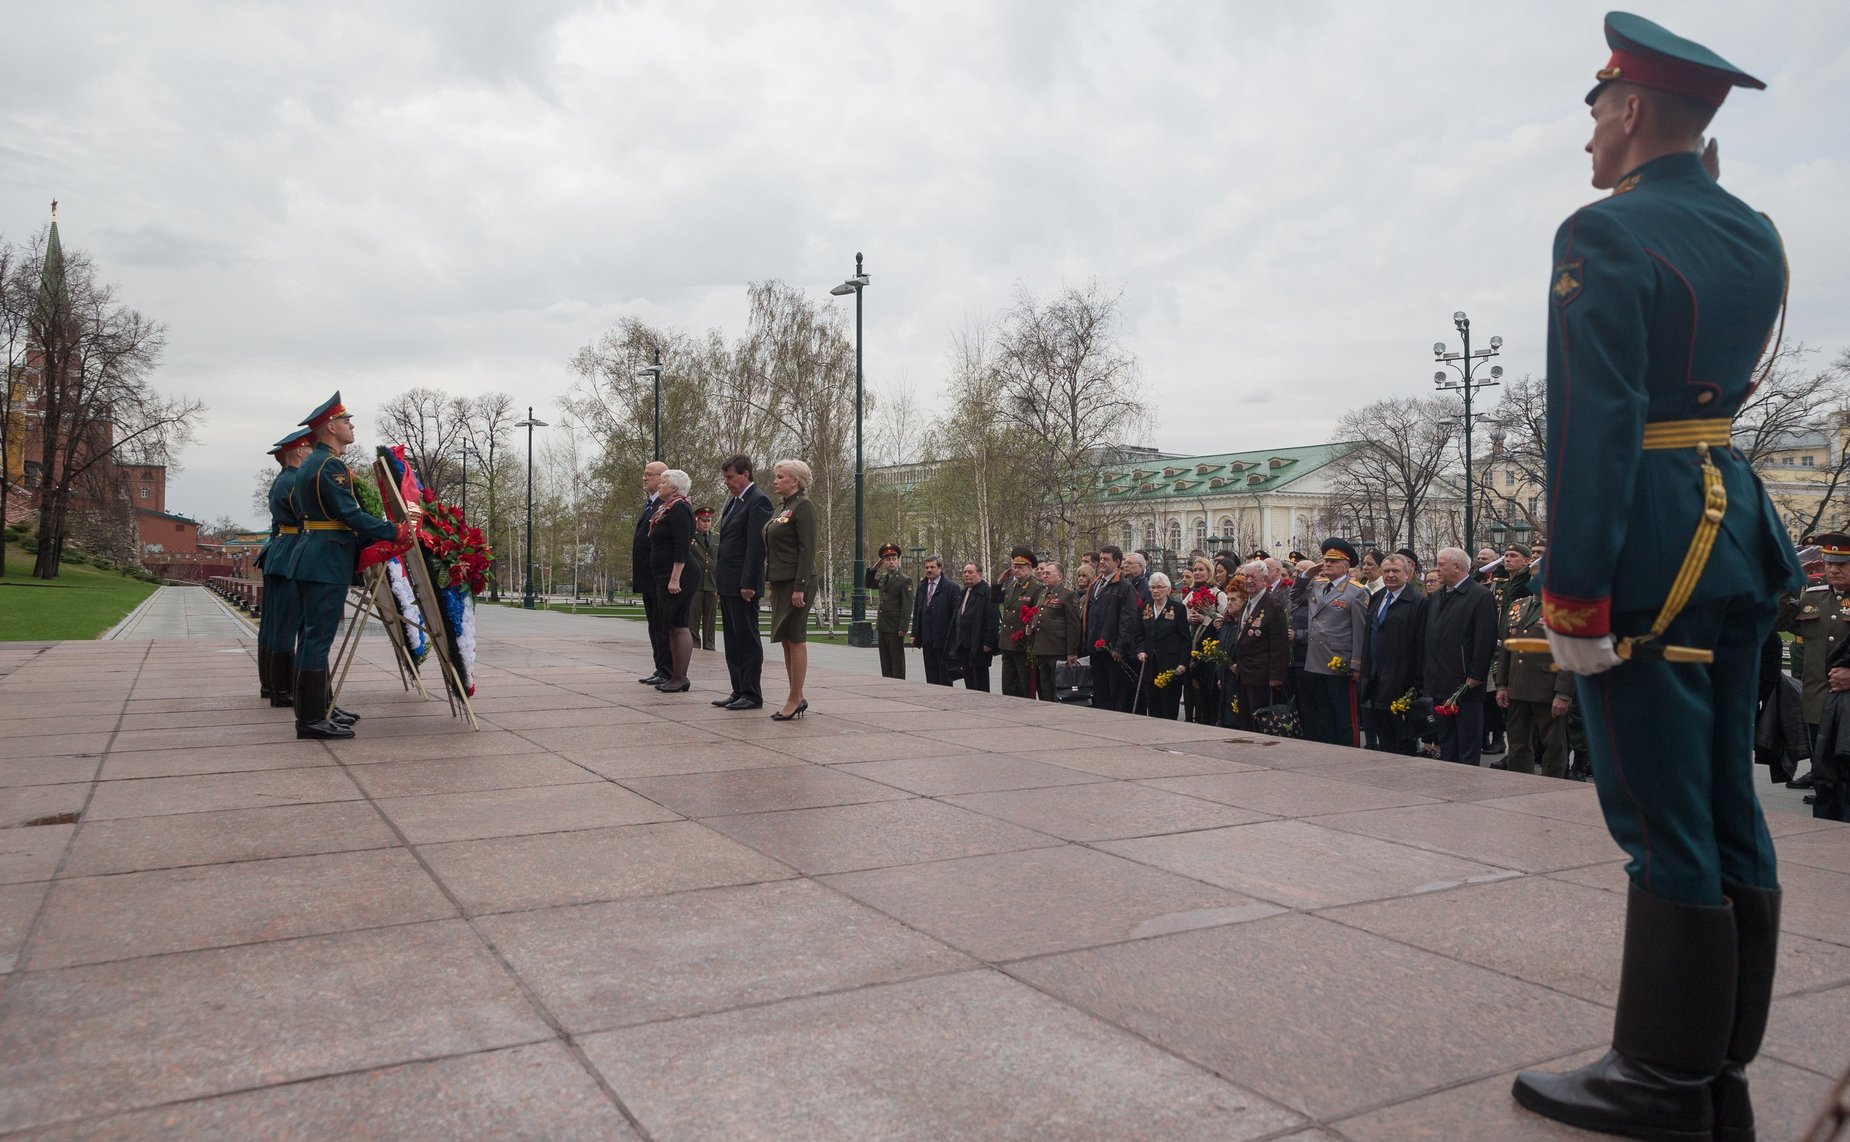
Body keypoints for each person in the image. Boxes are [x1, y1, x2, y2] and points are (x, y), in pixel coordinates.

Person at [1511, 16, 1800, 1140]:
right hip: (1730, 529)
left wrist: (1573, 585)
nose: (1584, 135)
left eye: (1592, 110)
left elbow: (1594, 422)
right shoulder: (1755, 232)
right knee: (1725, 796)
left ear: (1628, 110)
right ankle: (1718, 1052)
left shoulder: (1602, 231)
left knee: (1655, 810)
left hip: (1646, 542)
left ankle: (1658, 1072)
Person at [280, 392, 417, 740]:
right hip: (325, 559)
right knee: (318, 638)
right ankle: (310, 719)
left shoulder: (312, 464)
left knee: (315, 637)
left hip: (314, 554)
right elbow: (350, 514)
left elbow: (301, 508)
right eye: (345, 421)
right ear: (330, 427)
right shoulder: (330, 465)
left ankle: (319, 708)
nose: (351, 425)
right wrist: (395, 530)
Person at [1779, 532, 1850, 790]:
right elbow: (1778, 622)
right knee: (1825, 780)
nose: (1833, 569)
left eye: (1841, 564)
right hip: (1817, 701)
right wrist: (1789, 580)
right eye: (1830, 563)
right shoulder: (1814, 596)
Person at [1420, 547, 1497, 765]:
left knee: (1467, 740)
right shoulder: (1438, 596)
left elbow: (1486, 639)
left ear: (1457, 567)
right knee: (1447, 739)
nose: (1437, 569)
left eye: (1441, 564)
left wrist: (1476, 674)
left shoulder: (1480, 596)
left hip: (1465, 683)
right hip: (1440, 679)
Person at [255, 427, 311, 708]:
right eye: (309, 448)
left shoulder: (284, 480)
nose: (312, 452)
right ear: (299, 451)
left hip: (280, 551)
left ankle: (271, 685)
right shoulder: (293, 481)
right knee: (285, 625)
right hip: (289, 554)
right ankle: (283, 690)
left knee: (275, 625)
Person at [1497, 571, 1573, 778]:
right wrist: (1502, 685)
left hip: (1547, 688)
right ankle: (1519, 781)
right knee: (1517, 741)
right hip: (1517, 686)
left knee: (1553, 744)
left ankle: (1553, 784)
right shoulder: (1517, 606)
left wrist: (1563, 693)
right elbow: (1506, 649)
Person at [713, 454, 772, 711]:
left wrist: (748, 582)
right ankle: (738, 689)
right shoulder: (734, 502)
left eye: (730, 477)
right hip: (727, 583)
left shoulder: (758, 501)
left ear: (745, 474)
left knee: (746, 638)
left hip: (744, 585)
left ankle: (752, 693)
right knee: (732, 639)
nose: (726, 482)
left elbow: (755, 547)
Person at [762, 459, 818, 720]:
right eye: (776, 476)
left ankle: (795, 697)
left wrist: (800, 587)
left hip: (798, 582)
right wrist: (773, 584)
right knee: (785, 638)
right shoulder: (783, 507)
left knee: (795, 637)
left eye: (781, 476)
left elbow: (807, 549)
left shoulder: (803, 506)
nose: (776, 480)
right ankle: (796, 693)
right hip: (782, 581)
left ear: (795, 481)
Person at [1301, 538, 1369, 746]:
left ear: (1346, 566)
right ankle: (1328, 748)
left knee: (1344, 714)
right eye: (1326, 560)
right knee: (1323, 712)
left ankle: (1349, 749)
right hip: (1316, 660)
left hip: (1339, 661)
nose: (1327, 564)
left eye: (1333, 561)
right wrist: (1307, 574)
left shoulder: (1356, 591)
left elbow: (1360, 630)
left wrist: (1356, 663)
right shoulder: (1318, 585)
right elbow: (1294, 596)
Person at [1361, 553, 1425, 755]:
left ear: (1407, 574)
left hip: (1401, 681)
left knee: (1402, 738)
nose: (1390, 575)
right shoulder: (1377, 597)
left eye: (1396, 571)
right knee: (1384, 734)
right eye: (1386, 571)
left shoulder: (1416, 602)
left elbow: (1420, 643)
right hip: (1375, 679)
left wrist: (1416, 682)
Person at [647, 469, 696, 693]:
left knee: (679, 624)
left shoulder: (680, 508)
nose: (660, 485)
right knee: (671, 625)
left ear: (675, 487)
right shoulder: (666, 508)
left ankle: (680, 676)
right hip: (665, 575)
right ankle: (675, 675)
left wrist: (675, 578)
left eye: (664, 482)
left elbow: (681, 545)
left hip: (678, 576)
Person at [1229, 561, 1289, 731]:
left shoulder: (1272, 605)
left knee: (1260, 721)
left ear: (1264, 579)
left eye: (1253, 577)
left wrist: (1276, 676)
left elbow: (1279, 644)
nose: (1248, 581)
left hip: (1261, 675)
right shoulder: (1248, 603)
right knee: (1245, 720)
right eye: (1246, 576)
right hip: (1244, 672)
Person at [1085, 545, 1143, 713]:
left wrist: (1119, 647)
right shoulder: (1096, 583)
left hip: (1112, 650)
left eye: (1106, 559)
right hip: (1095, 647)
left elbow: (1128, 619)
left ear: (1117, 562)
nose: (1101, 562)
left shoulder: (1124, 586)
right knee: (1100, 691)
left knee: (1116, 692)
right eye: (1101, 558)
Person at [631, 460, 674, 686]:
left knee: (662, 625)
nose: (644, 477)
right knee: (653, 624)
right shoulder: (650, 504)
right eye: (644, 473)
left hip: (659, 576)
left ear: (661, 478)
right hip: (647, 576)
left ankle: (668, 669)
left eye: (649, 474)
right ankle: (660, 667)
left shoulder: (666, 505)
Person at [1137, 572, 1189, 718]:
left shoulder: (1177, 608)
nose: (1155, 591)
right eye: (1152, 587)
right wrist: (1140, 650)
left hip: (1170, 664)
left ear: (1167, 589)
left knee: (1169, 705)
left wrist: (1183, 662)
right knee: (1153, 706)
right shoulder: (1145, 607)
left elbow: (1185, 638)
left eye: (1159, 587)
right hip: (1149, 664)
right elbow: (1139, 633)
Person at [1028, 560, 1082, 701]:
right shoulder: (1043, 594)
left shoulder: (1067, 595)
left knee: (1058, 684)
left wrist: (1071, 652)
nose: (1044, 576)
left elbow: (1073, 625)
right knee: (1045, 685)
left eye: (1048, 573)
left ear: (1059, 576)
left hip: (1057, 648)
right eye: (1043, 573)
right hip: (1042, 647)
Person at [996, 547, 1042, 697]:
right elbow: (995, 600)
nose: (1016, 570)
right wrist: (999, 582)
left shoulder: (1036, 588)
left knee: (1024, 685)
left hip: (1022, 642)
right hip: (1007, 642)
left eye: (1020, 567)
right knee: (1008, 685)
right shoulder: (1010, 586)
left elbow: (1036, 614)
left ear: (1029, 568)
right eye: (1014, 567)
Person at [866, 543, 913, 679]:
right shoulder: (883, 578)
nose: (891, 562)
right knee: (885, 659)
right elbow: (868, 583)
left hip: (895, 626)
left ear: (898, 560)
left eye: (893, 559)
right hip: (883, 625)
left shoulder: (904, 580)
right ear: (883, 562)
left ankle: (898, 684)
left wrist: (903, 627)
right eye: (887, 559)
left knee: (897, 660)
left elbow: (907, 605)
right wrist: (874, 568)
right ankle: (886, 682)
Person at [912, 555, 961, 685]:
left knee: (944, 675)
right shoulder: (922, 586)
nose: (929, 570)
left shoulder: (951, 588)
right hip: (927, 639)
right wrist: (915, 634)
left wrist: (953, 638)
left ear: (940, 568)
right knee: (931, 674)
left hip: (943, 639)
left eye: (932, 567)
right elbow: (917, 611)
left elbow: (956, 615)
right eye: (926, 567)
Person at [953, 561, 998, 692]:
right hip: (964, 644)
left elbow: (992, 620)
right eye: (965, 572)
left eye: (970, 572)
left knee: (980, 681)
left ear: (979, 574)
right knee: (969, 680)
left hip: (979, 645)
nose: (967, 575)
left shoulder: (986, 592)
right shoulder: (965, 591)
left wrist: (988, 642)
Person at [688, 506, 718, 652]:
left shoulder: (717, 537)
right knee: (693, 618)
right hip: (696, 583)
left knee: (710, 619)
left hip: (712, 583)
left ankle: (709, 645)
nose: (706, 523)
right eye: (703, 520)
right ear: (697, 521)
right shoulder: (691, 537)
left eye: (709, 521)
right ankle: (693, 645)